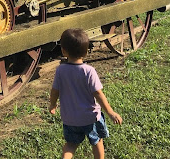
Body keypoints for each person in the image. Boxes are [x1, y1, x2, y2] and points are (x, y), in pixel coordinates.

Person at [49, 29, 122, 159]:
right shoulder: (89, 71)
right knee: (97, 140)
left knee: (71, 144)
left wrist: (52, 105)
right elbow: (98, 94)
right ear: (86, 52)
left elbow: (55, 91)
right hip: (90, 117)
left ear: (63, 51)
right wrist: (110, 112)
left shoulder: (60, 70)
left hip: (70, 118)